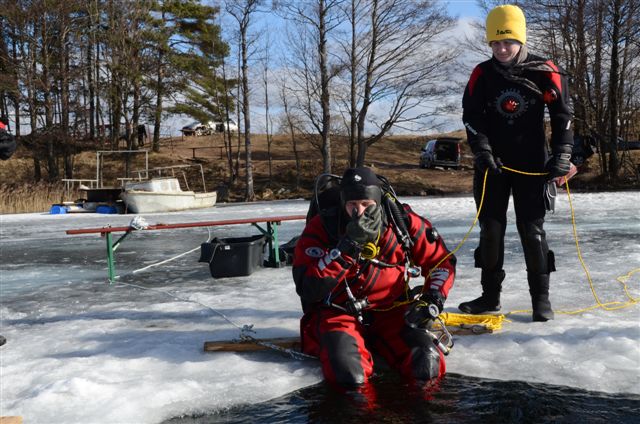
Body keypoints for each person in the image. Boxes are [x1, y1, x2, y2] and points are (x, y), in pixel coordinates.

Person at [292, 167, 456, 390]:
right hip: (339, 312)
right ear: (343, 203)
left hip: (392, 311)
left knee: (426, 362)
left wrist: (432, 300)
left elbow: (441, 262)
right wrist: (347, 248)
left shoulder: (402, 223)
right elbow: (309, 286)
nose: (358, 212)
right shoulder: (323, 228)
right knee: (348, 376)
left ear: (377, 202)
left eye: (366, 205)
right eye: (352, 205)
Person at [459, 4, 574, 322]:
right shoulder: (482, 74)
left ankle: (541, 300)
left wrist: (563, 154)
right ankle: (489, 297)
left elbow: (563, 116)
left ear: (520, 40)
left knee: (532, 231)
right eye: (495, 43)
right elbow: (472, 117)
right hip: (491, 166)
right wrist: (481, 149)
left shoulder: (544, 70)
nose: (501, 48)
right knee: (490, 231)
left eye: (507, 41)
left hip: (533, 165)